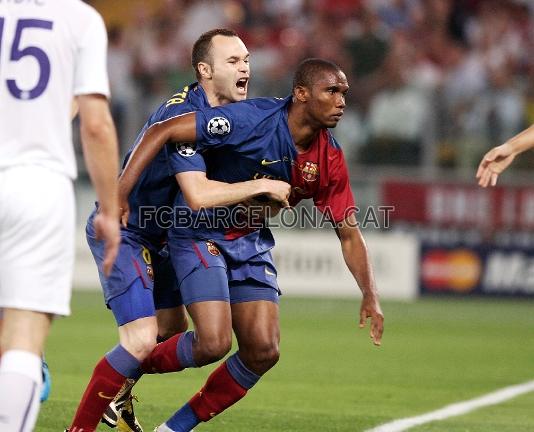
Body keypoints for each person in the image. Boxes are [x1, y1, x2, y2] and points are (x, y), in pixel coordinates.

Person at [118, 58, 384, 432]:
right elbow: (163, 131)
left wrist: (370, 293)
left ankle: (172, 429)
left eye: (344, 93)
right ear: (302, 94)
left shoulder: (330, 158)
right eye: (332, 91)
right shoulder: (251, 119)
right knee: (212, 343)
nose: (341, 101)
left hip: (249, 243)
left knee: (263, 351)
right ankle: (119, 375)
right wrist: (122, 192)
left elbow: (350, 233)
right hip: (199, 231)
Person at [67, 29, 291, 432]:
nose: (245, 68)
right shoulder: (182, 115)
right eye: (233, 61)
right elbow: (197, 192)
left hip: (168, 237)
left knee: (171, 331)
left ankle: (118, 391)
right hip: (129, 231)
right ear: (205, 70)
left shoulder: (229, 120)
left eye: (246, 60)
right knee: (140, 339)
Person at [0, 1, 121, 431]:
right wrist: (109, 209)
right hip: (36, 183)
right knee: (23, 338)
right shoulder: (79, 20)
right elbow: (96, 125)